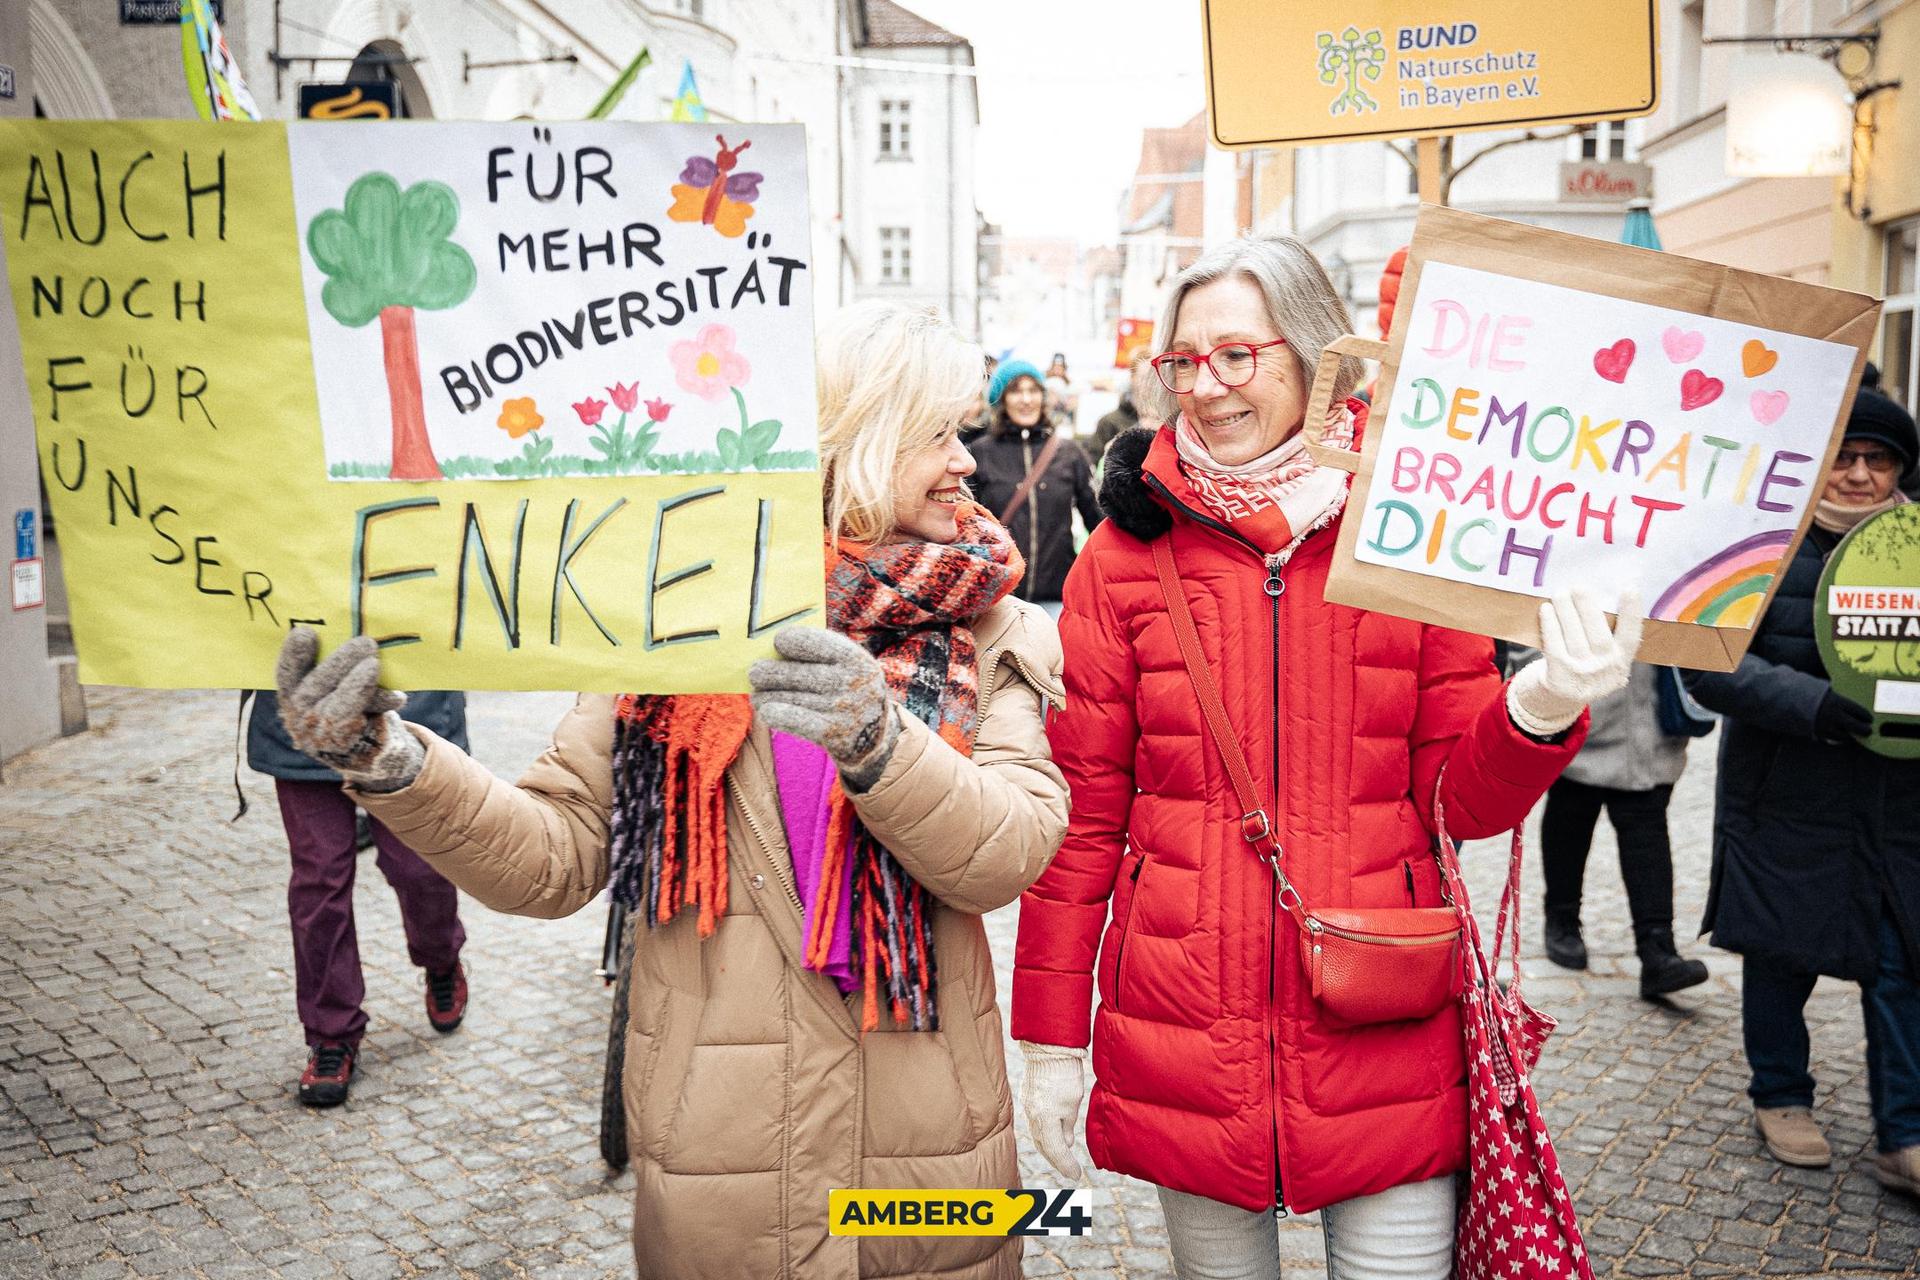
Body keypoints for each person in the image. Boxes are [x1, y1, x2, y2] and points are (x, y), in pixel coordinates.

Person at [270, 301, 1070, 1276]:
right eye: (937, 433)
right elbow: (556, 854)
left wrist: (879, 741)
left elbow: (1009, 851)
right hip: (723, 1157)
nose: (968, 462)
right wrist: (395, 762)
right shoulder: (677, 618)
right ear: (848, 443)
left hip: (926, 1159)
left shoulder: (995, 628)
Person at [1009, 234, 1641, 1279]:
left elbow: (1459, 799)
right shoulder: (1123, 558)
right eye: (1182, 360)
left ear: (1315, 357)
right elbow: (1082, 815)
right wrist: (1047, 1035)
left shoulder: (1407, 534)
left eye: (1236, 356)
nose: (1204, 388)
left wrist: (1541, 701)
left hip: (1381, 1012)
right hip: (1183, 1021)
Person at [1682, 388, 1919, 1198]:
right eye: (1842, 456)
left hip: (1897, 802)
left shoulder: (1918, 546)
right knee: (1782, 952)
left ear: (1899, 469)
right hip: (1786, 790)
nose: (1857, 474)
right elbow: (1705, 664)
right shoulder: (1760, 544)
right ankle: (1780, 1094)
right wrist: (1815, 704)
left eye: (1877, 459)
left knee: (1902, 960)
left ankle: (1907, 1132)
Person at [245, 689, 473, 1107]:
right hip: (301, 716)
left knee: (419, 867)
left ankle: (440, 957)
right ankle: (331, 1033)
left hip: (408, 710)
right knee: (320, 882)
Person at [1526, 661, 1711, 997]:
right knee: (1571, 819)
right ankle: (1562, 919)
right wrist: (1539, 686)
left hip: (1651, 719)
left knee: (1647, 827)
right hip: (1583, 709)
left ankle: (1658, 949)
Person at [967, 358, 1104, 618]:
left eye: (1033, 390)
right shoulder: (979, 453)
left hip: (1059, 596)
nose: (1026, 399)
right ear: (1002, 399)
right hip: (1000, 601)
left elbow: (1096, 522)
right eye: (1016, 391)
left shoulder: (1068, 453)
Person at [1088, 355, 1149, 462]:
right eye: (1144, 377)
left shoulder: (1167, 421)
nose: (1149, 383)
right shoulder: (1108, 422)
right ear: (1132, 377)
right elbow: (1094, 463)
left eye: (1153, 377)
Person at [1045, 351, 1078, 428]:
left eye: (1060, 367)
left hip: (1064, 417)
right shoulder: (1046, 381)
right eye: (1055, 367)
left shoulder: (1069, 385)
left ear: (1064, 368)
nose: (1057, 370)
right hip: (1049, 416)